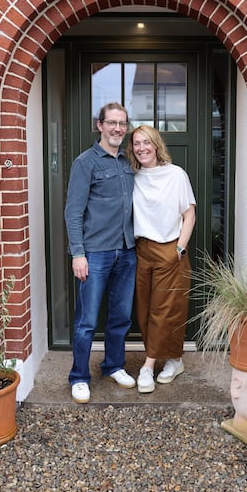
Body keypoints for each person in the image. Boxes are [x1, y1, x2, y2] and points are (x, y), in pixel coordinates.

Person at [64, 102, 138, 403]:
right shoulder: (85, 162)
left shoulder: (127, 162)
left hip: (127, 251)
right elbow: (73, 211)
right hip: (95, 253)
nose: (118, 128)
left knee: (120, 317)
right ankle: (79, 376)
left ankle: (114, 365)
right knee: (87, 321)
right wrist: (77, 253)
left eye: (122, 123)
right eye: (112, 123)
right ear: (100, 125)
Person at [126, 125, 196, 393]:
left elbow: (189, 214)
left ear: (156, 145)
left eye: (146, 142)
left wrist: (179, 248)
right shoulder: (132, 176)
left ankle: (147, 366)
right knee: (145, 311)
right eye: (136, 143)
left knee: (164, 310)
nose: (141, 147)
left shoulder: (175, 175)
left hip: (169, 248)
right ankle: (175, 360)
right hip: (141, 250)